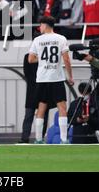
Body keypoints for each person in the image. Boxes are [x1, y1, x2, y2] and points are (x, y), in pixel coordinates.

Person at [28, 16, 74, 144]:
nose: (40, 27)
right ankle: (64, 139)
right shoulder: (61, 39)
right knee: (62, 107)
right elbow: (66, 59)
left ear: (45, 25)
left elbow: (30, 59)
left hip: (42, 78)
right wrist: (70, 76)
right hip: (56, 78)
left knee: (41, 107)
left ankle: (38, 139)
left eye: (41, 25)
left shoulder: (37, 40)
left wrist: (43, 60)